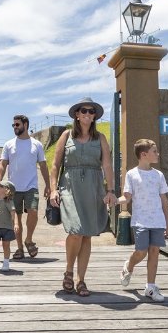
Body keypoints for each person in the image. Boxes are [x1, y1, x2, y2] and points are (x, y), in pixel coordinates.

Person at [48, 97, 117, 296]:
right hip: (69, 187)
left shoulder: (101, 138)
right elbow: (55, 165)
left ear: (94, 116)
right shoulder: (66, 136)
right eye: (83, 111)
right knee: (76, 230)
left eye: (91, 111)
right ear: (77, 115)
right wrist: (53, 189)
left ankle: (81, 280)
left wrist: (110, 191)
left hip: (93, 188)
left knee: (87, 235)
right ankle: (68, 271)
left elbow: (106, 165)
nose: (87, 114)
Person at [118, 139, 168, 302]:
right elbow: (126, 198)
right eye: (154, 151)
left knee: (154, 252)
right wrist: (114, 200)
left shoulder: (159, 175)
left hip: (157, 221)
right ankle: (129, 265)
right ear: (144, 154)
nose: (157, 154)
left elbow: (164, 200)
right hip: (140, 220)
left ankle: (150, 286)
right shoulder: (131, 174)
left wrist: (167, 223)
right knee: (141, 252)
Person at [0, 114, 51, 259]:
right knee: (16, 219)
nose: (15, 127)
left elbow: (43, 166)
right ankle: (20, 248)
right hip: (12, 188)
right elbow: (2, 164)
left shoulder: (36, 145)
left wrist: (48, 185)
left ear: (25, 125)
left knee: (33, 211)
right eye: (13, 125)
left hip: (31, 186)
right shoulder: (9, 144)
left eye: (17, 125)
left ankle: (29, 239)